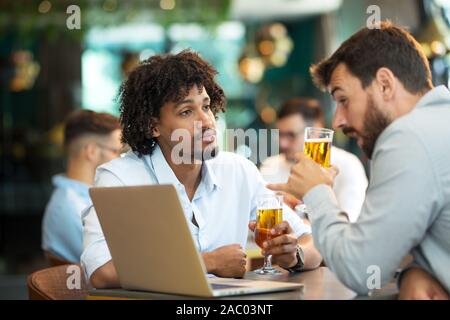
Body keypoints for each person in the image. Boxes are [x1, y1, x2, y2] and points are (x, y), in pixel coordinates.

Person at [81, 50, 322, 288]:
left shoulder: (238, 171)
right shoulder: (120, 178)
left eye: (206, 107)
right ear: (153, 126)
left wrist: (294, 254)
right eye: (186, 111)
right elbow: (101, 273)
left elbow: (313, 243)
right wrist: (208, 262)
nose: (206, 122)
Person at [268, 21, 450, 298]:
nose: (338, 120)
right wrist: (415, 272)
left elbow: (361, 270)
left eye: (343, 100)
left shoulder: (408, 137)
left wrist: (317, 191)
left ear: (385, 85)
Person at [260, 98, 368, 222]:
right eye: (280, 134)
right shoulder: (270, 165)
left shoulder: (348, 164)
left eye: (291, 135)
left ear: (316, 130)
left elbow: (349, 225)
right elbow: (264, 222)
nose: (282, 143)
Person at [42, 110, 122, 263]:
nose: (119, 159)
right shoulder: (69, 208)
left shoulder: (87, 198)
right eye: (115, 151)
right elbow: (116, 264)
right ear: (91, 151)